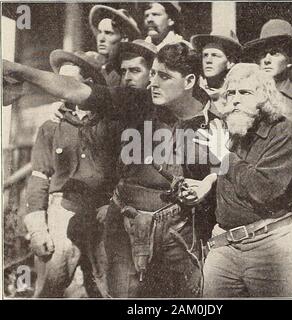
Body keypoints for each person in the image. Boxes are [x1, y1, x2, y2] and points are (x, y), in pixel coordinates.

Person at [3, 42, 218, 298]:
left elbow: (225, 174)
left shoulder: (216, 118)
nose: (154, 83)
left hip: (180, 232)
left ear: (189, 80)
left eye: (164, 76)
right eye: (153, 74)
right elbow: (78, 91)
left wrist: (209, 183)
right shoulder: (137, 102)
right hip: (127, 225)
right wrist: (19, 70)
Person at [194, 63, 292, 297]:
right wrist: (208, 182)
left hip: (272, 245)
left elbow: (262, 189)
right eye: (231, 93)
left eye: (245, 92)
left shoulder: (283, 132)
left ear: (264, 97)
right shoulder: (233, 131)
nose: (236, 99)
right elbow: (230, 177)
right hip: (225, 244)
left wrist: (225, 156)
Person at [24, 50, 119, 298]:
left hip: (101, 213)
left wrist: (113, 206)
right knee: (50, 287)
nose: (60, 88)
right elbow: (39, 176)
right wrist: (38, 228)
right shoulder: (51, 125)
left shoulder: (111, 125)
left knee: (108, 289)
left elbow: (126, 173)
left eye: (68, 82)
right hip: (62, 213)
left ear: (88, 84)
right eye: (58, 81)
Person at [244, 19, 292, 123]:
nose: (267, 60)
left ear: (290, 60)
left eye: (275, 53)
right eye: (263, 54)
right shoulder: (248, 94)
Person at [191, 32, 242, 117]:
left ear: (230, 62)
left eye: (215, 55)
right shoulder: (192, 91)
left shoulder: (236, 95)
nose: (208, 60)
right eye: (205, 55)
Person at [89, 5, 141, 86]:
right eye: (99, 32)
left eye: (108, 33)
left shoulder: (124, 73)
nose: (101, 38)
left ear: (124, 39)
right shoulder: (99, 67)